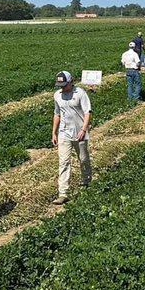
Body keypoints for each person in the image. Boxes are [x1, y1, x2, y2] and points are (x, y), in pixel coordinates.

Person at [52, 71, 92, 205]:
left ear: (71, 82)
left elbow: (87, 112)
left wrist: (84, 129)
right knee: (64, 162)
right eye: (60, 85)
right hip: (64, 133)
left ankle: (87, 182)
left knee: (84, 159)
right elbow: (57, 114)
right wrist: (54, 132)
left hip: (80, 132)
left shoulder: (80, 93)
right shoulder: (57, 95)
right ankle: (63, 193)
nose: (62, 88)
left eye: (64, 85)